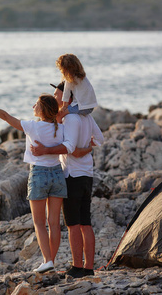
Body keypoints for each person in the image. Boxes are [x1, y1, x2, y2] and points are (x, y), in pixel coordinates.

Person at [0, 94, 68, 274]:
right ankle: (51, 261)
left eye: (36, 104)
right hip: (57, 173)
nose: (33, 106)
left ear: (43, 109)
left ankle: (47, 261)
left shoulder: (33, 127)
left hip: (39, 174)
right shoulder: (61, 128)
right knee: (54, 223)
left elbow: (6, 117)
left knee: (39, 223)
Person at [31, 81, 104, 278]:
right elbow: (99, 139)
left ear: (69, 98)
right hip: (87, 174)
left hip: (72, 175)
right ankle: (89, 267)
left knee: (73, 225)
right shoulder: (86, 116)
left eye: (58, 95)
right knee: (85, 223)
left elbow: (70, 147)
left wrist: (47, 150)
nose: (56, 99)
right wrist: (86, 148)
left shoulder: (70, 119)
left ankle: (78, 267)